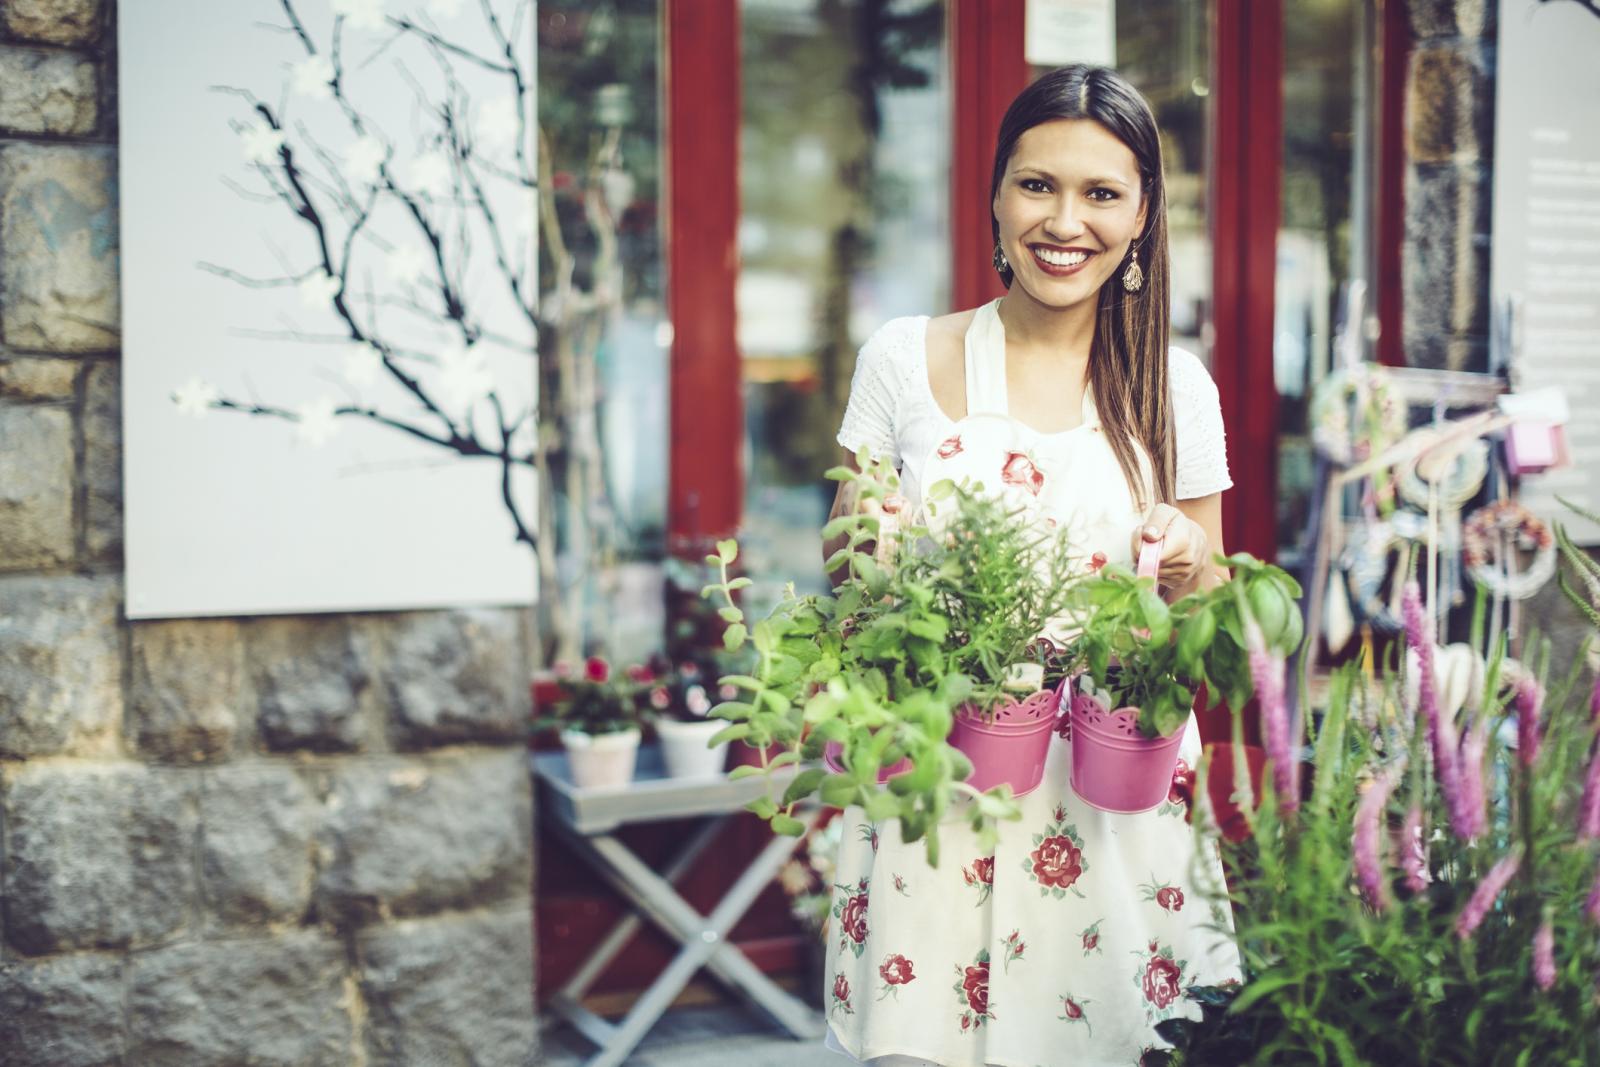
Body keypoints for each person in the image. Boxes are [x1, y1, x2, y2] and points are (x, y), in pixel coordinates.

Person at [820, 65, 1242, 1067]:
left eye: (1102, 192)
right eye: (1036, 184)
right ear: (996, 196)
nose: (1065, 220)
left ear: (1142, 215)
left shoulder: (1172, 387)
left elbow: (1215, 606)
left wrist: (1187, 559)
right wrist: (864, 530)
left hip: (1110, 795)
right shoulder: (903, 357)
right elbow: (845, 560)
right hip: (939, 780)